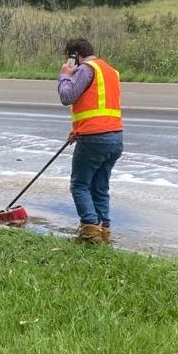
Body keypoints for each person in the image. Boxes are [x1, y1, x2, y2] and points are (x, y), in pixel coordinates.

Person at [57, 38, 123, 244]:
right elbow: (97, 104)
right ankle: (104, 230)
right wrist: (78, 128)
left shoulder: (85, 69)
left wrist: (65, 75)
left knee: (79, 185)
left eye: (69, 56)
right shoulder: (111, 71)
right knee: (100, 186)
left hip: (95, 139)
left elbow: (67, 96)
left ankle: (90, 232)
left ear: (75, 55)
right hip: (115, 137)